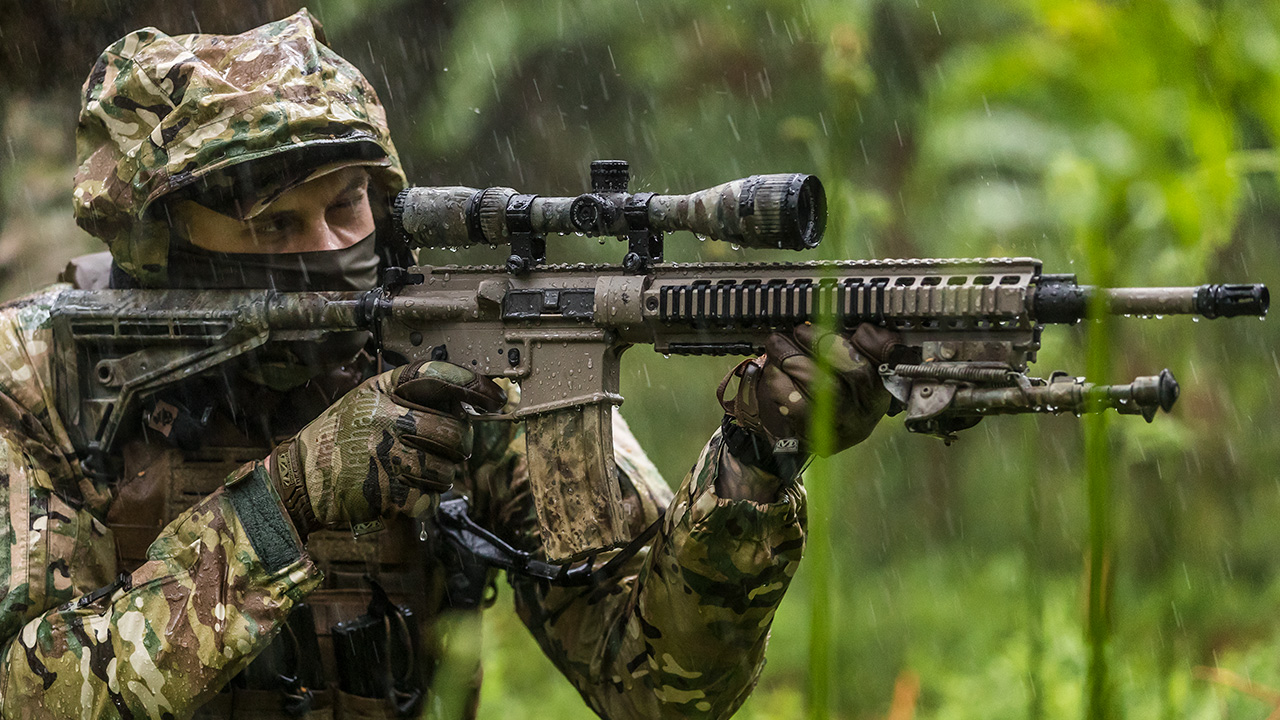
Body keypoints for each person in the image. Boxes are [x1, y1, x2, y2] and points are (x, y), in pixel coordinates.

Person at [0, 10, 893, 719]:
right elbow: (25, 696)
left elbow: (658, 688)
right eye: (275, 225)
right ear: (166, 249)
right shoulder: (41, 377)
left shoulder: (462, 347)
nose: (328, 248)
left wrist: (755, 465)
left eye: (349, 206)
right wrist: (284, 506)